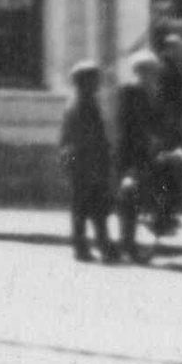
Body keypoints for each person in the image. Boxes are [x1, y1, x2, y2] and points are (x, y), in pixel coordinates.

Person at [113, 51, 174, 261]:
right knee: (129, 198)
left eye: (154, 71)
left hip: (148, 154)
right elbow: (126, 126)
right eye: (149, 71)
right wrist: (132, 157)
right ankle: (127, 245)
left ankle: (133, 242)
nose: (153, 75)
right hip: (130, 154)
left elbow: (158, 122)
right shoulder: (129, 91)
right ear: (139, 71)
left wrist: (160, 141)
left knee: (142, 197)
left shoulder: (153, 93)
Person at [60, 63, 117, 263]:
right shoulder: (83, 104)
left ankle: (87, 246)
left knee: (84, 207)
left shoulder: (80, 101)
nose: (98, 83)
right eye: (94, 79)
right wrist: (100, 161)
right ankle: (99, 246)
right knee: (92, 206)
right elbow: (88, 137)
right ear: (84, 81)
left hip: (82, 162)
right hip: (87, 162)